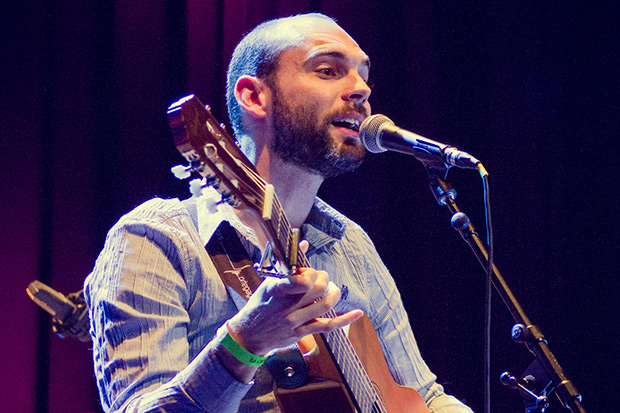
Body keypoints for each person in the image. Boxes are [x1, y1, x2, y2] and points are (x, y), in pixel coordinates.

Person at [85, 13, 474, 412]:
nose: (360, 89)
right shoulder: (157, 239)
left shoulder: (350, 244)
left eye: (363, 75)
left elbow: (424, 397)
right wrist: (245, 343)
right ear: (255, 97)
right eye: (328, 70)